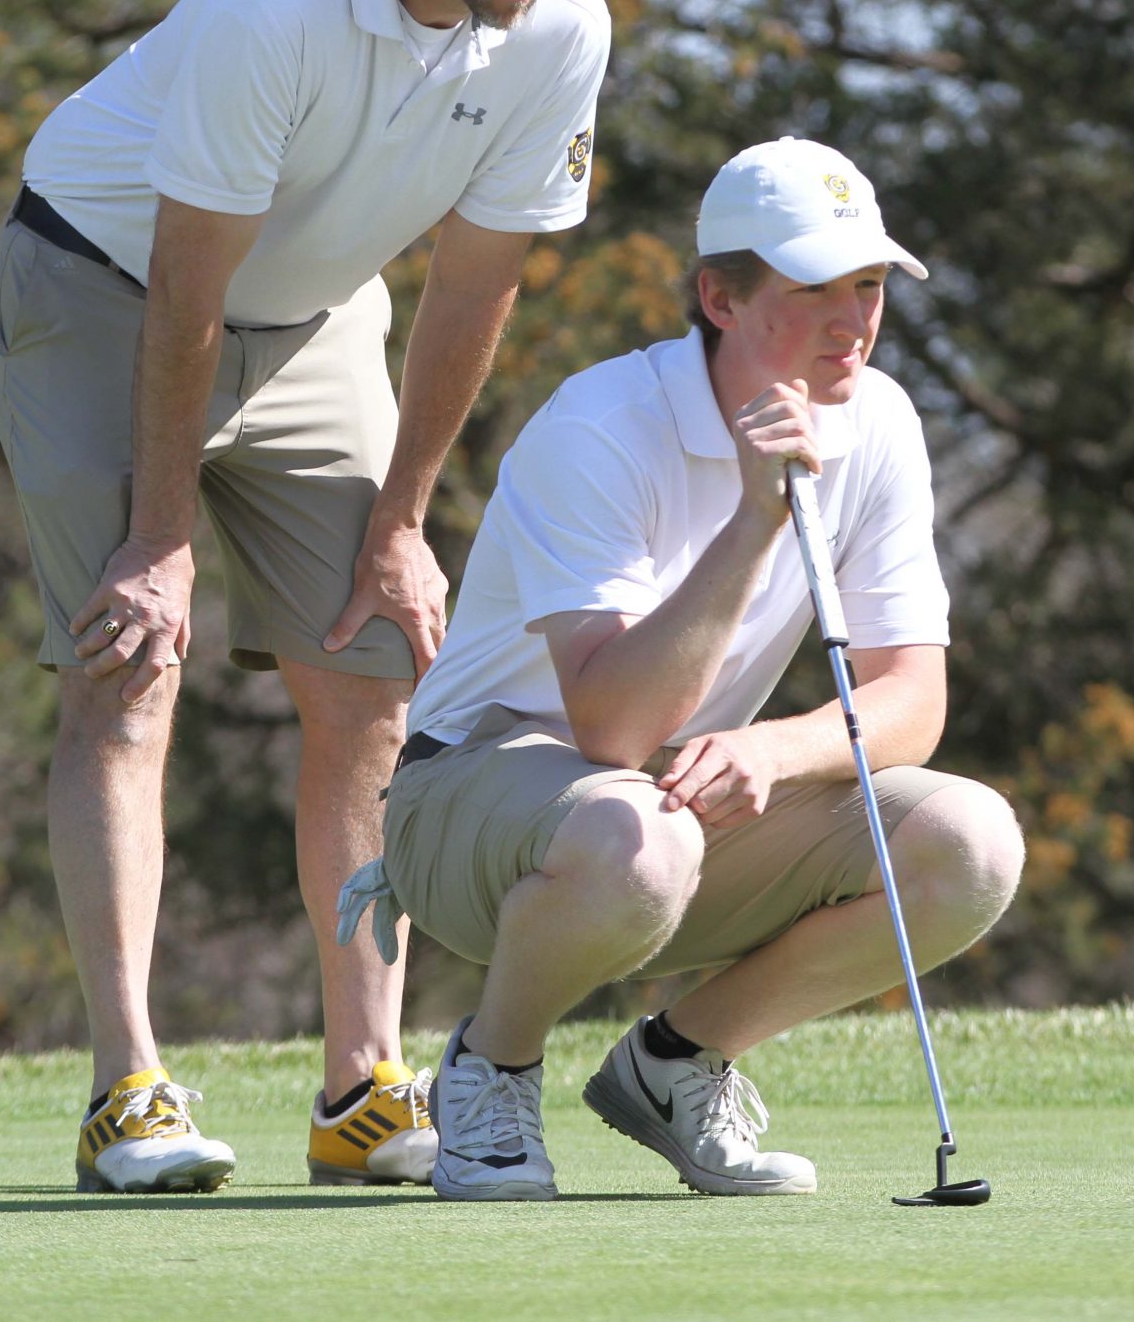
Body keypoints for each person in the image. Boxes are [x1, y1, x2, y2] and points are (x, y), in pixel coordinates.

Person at [0, 0, 614, 1193]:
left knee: (377, 664)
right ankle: (124, 1084)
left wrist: (401, 523)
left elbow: (473, 284)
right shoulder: (275, 1)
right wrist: (159, 533)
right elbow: (187, 282)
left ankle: (359, 1089)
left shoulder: (559, 26)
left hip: (317, 312)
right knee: (127, 659)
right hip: (103, 284)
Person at [337, 137, 1027, 1201]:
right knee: (632, 836)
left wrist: (772, 750)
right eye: (814, 291)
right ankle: (490, 1068)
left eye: (870, 285)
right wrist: (757, 516)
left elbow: (911, 697)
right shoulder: (602, 424)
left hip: (669, 807)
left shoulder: (879, 420)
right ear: (720, 296)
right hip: (465, 803)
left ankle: (675, 1064)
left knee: (969, 844)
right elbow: (610, 724)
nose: (854, 321)